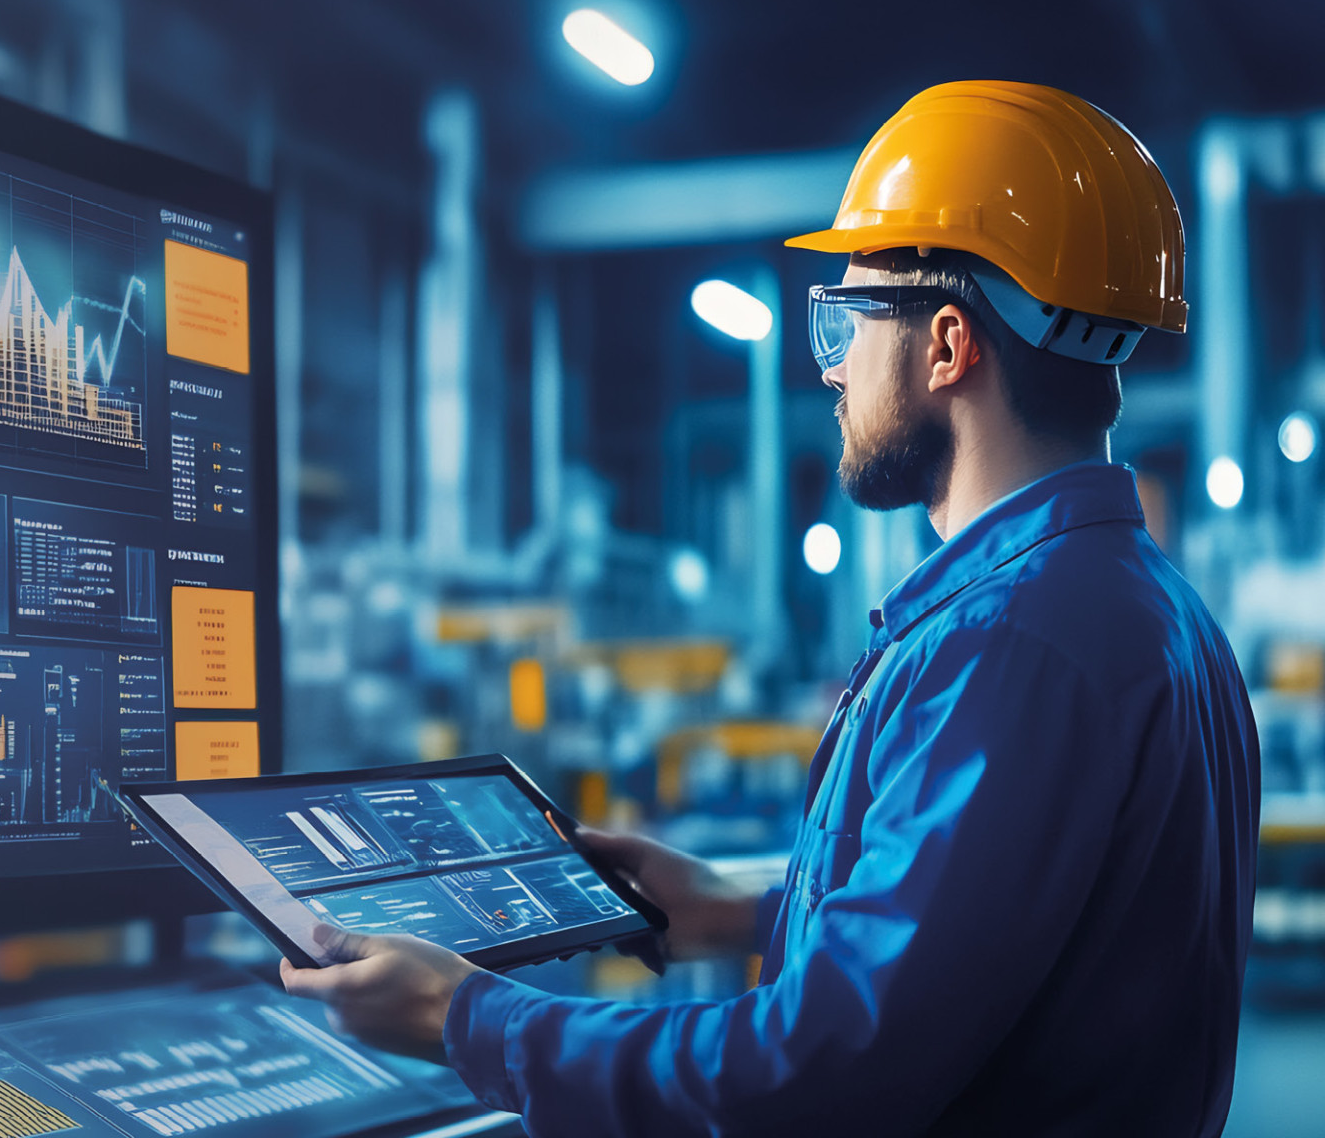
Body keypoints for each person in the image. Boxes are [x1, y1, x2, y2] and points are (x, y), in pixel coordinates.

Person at [282, 81, 1261, 1136]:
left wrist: (466, 1018)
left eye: (847, 320)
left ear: (945, 345)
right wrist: (737, 910)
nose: (833, 372)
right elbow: (996, 938)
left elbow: (819, 1068)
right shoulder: (1156, 615)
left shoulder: (1008, 641)